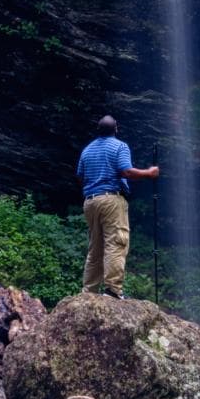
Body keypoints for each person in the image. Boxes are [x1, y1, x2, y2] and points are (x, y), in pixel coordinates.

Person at [76, 115, 158, 298]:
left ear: (98, 130)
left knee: (95, 247)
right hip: (111, 199)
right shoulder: (119, 146)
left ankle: (88, 292)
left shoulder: (87, 150)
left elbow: (80, 176)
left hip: (90, 201)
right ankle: (112, 291)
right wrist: (150, 173)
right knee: (116, 243)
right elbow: (126, 171)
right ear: (116, 129)